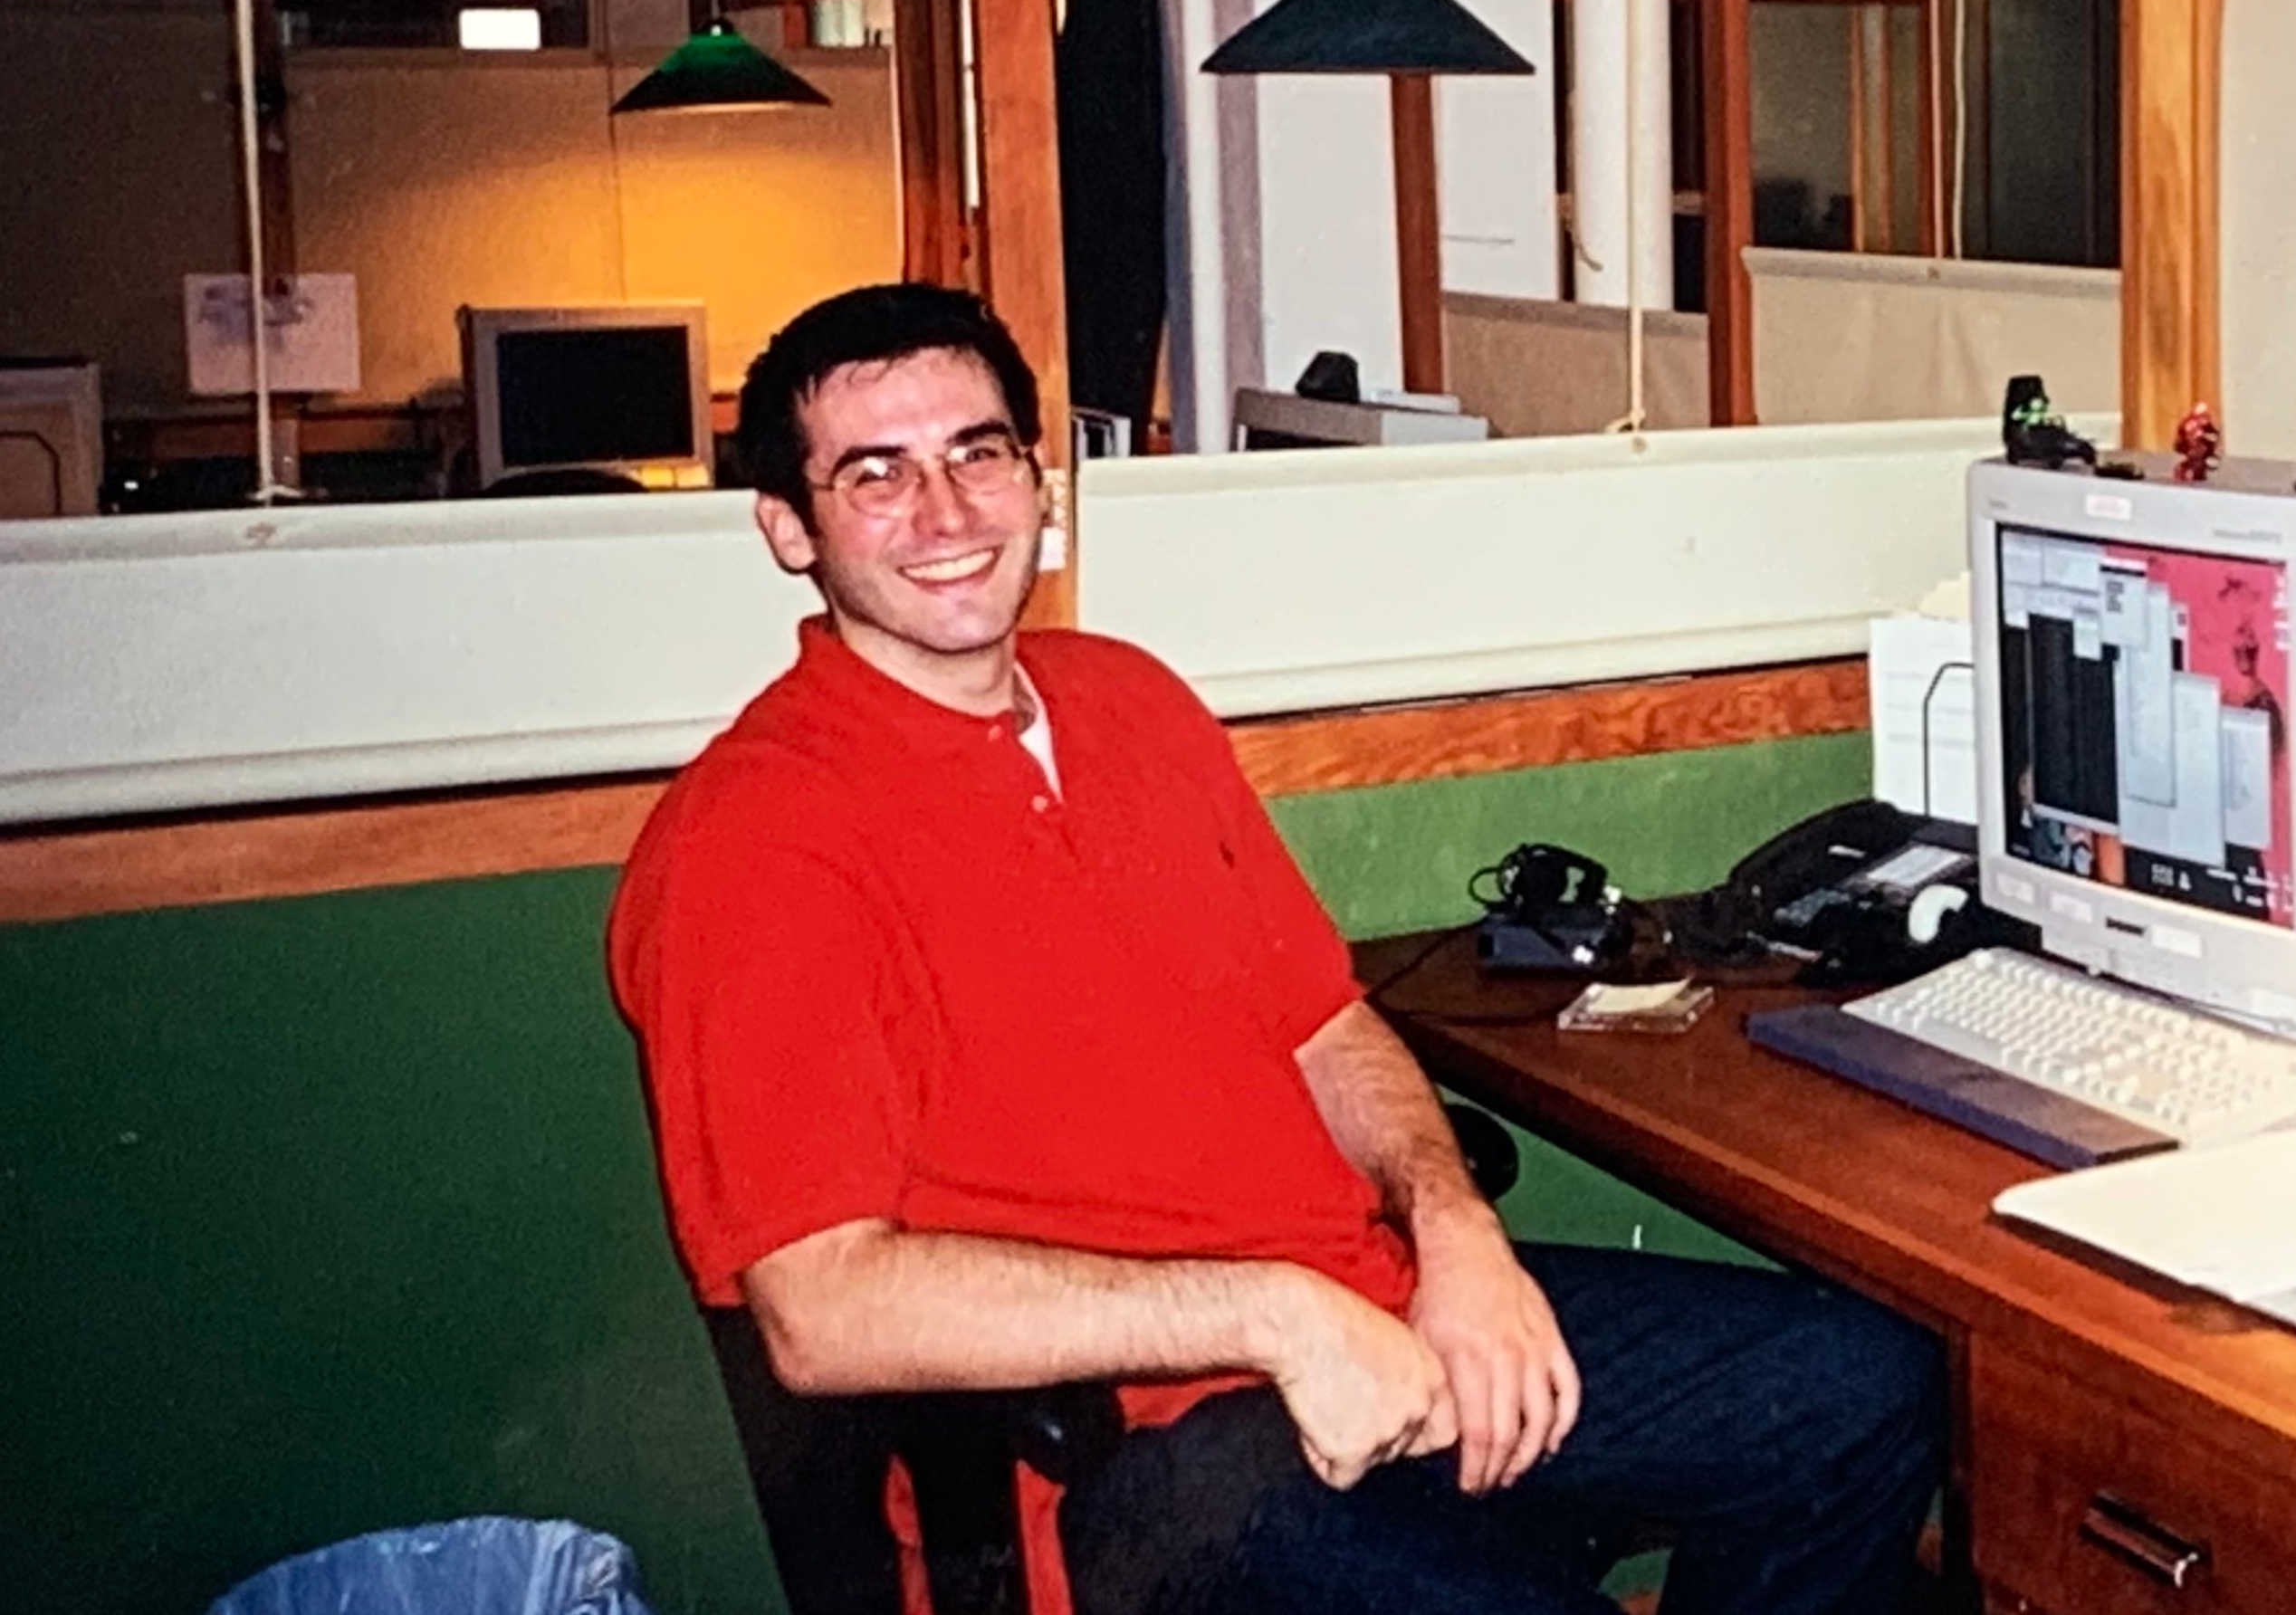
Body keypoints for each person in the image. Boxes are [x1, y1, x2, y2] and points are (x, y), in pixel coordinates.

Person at [608, 285, 1943, 1615]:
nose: (947, 513)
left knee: (1856, 1391)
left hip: (1370, 1315)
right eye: (876, 475)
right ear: (788, 527)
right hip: (1124, 1463)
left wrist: (1458, 1235)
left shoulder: (1127, 701)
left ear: (1040, 478)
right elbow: (821, 1310)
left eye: (978, 453)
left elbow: (1324, 1022)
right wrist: (1273, 1318)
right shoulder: (755, 841)